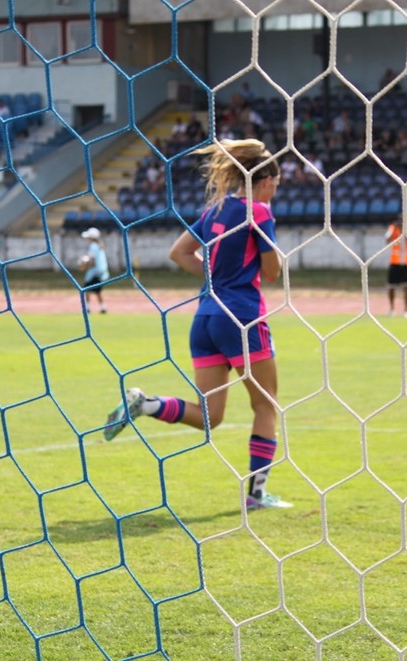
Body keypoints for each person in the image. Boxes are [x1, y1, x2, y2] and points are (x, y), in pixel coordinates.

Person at [103, 138, 291, 512]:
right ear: (266, 179)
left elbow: (178, 252)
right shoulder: (260, 211)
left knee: (211, 417)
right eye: (277, 181)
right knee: (266, 405)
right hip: (242, 317)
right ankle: (257, 494)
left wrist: (212, 279)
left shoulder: (215, 209)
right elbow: (271, 273)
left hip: (206, 317)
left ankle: (146, 405)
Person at [384, 219, 407, 318]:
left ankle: (406, 311)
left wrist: (405, 232)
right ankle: (392, 309)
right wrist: (396, 229)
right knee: (391, 286)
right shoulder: (392, 228)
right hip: (395, 262)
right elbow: (387, 240)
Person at [80, 227, 110, 314]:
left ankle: (87, 307)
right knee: (98, 291)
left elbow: (92, 260)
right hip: (102, 271)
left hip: (95, 272)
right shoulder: (99, 245)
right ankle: (103, 307)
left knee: (86, 289)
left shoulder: (93, 246)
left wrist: (84, 266)